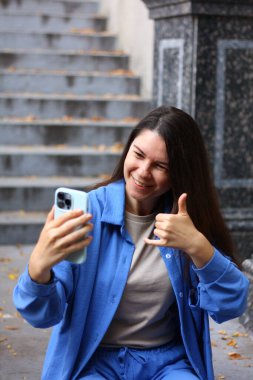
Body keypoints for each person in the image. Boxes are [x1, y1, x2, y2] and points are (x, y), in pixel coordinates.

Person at [13, 106, 249, 380]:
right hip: (93, 360)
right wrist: (38, 270)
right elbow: (42, 316)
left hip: (167, 362)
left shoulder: (185, 223)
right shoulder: (87, 213)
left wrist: (199, 247)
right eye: (138, 155)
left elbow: (231, 305)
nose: (143, 172)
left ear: (180, 174)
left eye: (161, 166)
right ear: (127, 150)